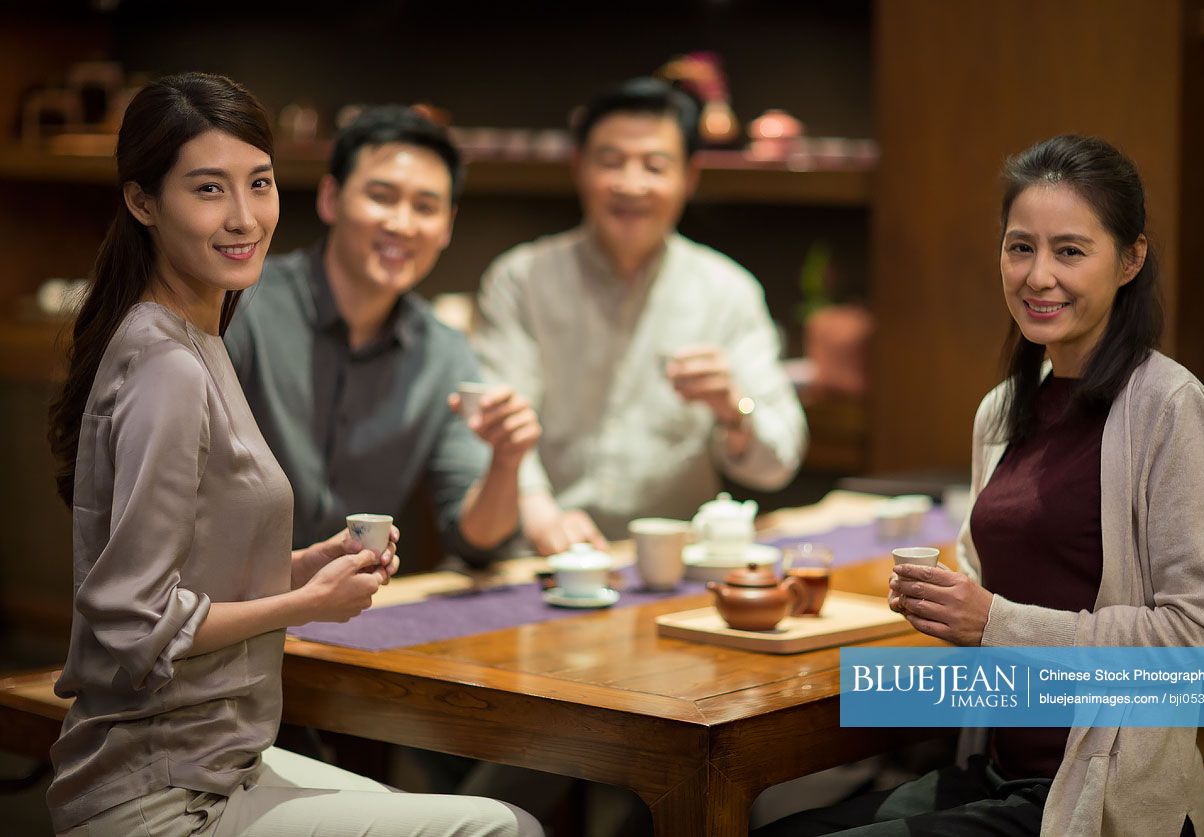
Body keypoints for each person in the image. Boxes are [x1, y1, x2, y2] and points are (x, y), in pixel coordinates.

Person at [44, 72, 540, 837]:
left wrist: (305, 564)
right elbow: (129, 620)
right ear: (143, 203)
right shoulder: (174, 361)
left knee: (490, 809)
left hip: (223, 754)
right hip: (164, 786)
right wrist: (307, 603)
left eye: (260, 183)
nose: (243, 216)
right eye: (208, 189)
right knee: (498, 826)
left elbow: (189, 563)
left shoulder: (199, 336)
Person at [754, 135, 1204, 836]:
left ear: (1129, 258)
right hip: (994, 768)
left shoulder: (1167, 406)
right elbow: (998, 605)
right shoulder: (1001, 410)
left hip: (1096, 794)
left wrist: (992, 620)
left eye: (1069, 250)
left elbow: (1199, 649)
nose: (1038, 275)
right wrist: (941, 612)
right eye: (1020, 248)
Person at [473, 77, 808, 554]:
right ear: (578, 168)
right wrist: (540, 512)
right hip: (538, 559)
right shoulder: (521, 281)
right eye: (610, 163)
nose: (631, 185)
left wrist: (734, 406)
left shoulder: (727, 292)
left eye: (655, 166)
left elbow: (778, 463)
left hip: (675, 565)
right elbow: (497, 424)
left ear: (689, 178)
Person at [225, 105, 539, 565]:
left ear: (447, 226)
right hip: (227, 601)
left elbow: (475, 538)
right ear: (330, 198)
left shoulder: (444, 352)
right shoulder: (241, 306)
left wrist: (507, 462)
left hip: (358, 612)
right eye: (382, 196)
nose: (402, 224)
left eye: (426, 207)